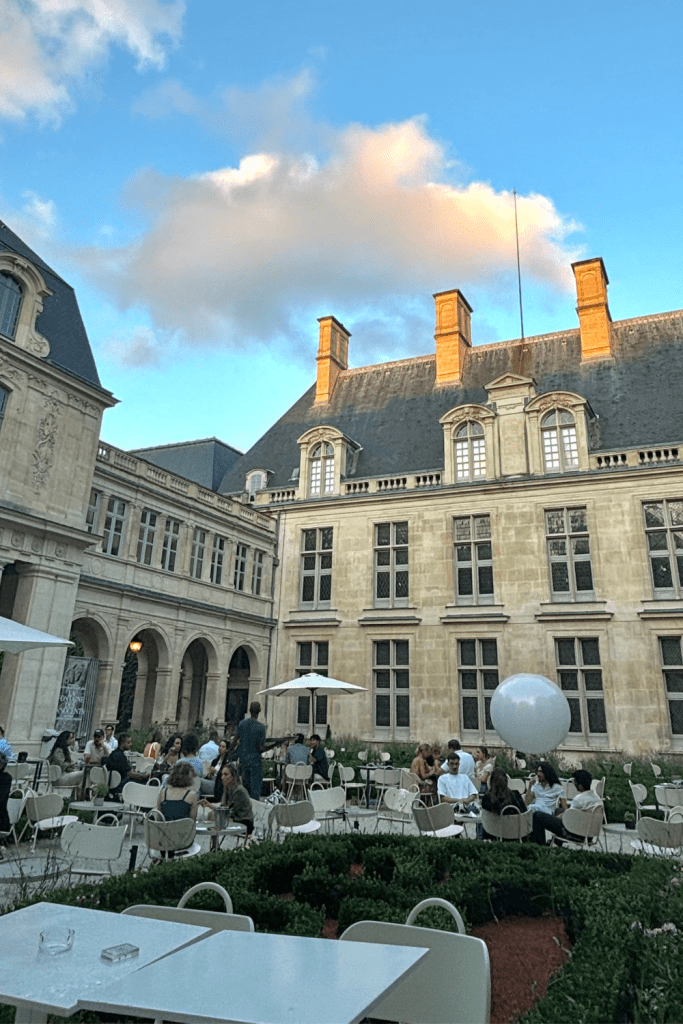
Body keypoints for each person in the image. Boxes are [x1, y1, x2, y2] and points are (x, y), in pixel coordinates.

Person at [531, 769, 602, 846]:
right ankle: (557, 842)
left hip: (574, 833)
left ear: (580, 786)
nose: (574, 784)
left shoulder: (579, 799)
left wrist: (557, 817)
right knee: (559, 810)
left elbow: (568, 816)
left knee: (537, 815)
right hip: (589, 833)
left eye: (575, 782)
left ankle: (540, 846)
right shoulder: (597, 797)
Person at [201, 763, 254, 839]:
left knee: (214, 816)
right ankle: (214, 844)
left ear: (233, 776)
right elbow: (223, 809)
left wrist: (210, 806)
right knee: (211, 815)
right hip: (235, 819)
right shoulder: (228, 789)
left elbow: (228, 813)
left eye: (226, 775)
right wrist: (209, 805)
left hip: (243, 822)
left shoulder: (239, 790)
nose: (222, 778)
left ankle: (215, 845)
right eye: (222, 775)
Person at [237, 702, 273, 800]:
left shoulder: (242, 724)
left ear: (249, 710)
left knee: (246, 790)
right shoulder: (261, 727)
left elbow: (237, 740)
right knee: (255, 792)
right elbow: (261, 748)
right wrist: (273, 746)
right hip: (255, 763)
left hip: (244, 761)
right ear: (260, 711)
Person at [480, 768, 527, 839]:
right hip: (515, 835)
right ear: (506, 780)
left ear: (491, 782)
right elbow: (524, 814)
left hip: (493, 834)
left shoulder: (487, 798)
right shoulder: (515, 795)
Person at [103, 732, 150, 797]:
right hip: (120, 785)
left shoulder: (114, 754)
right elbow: (130, 774)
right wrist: (144, 776)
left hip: (112, 784)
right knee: (145, 782)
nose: (131, 744)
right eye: (129, 742)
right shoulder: (121, 757)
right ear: (122, 743)